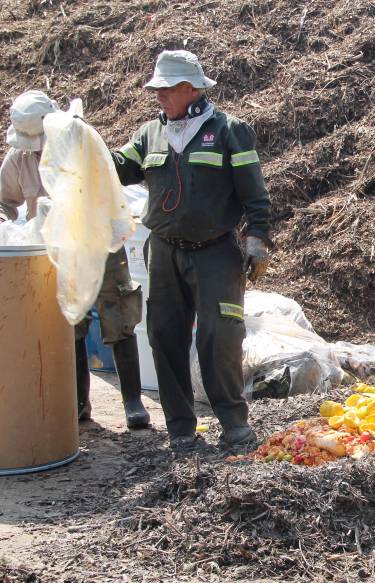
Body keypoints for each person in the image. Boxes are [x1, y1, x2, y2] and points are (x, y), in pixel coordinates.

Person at [111, 50, 273, 450]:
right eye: (157, 89)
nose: (158, 95)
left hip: (215, 253)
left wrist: (257, 239)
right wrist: (83, 145)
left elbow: (255, 194)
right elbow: (117, 167)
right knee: (165, 337)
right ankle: (180, 428)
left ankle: (234, 422)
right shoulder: (150, 133)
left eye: (165, 89)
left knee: (220, 336)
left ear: (189, 88)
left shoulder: (230, 131)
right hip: (164, 252)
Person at [0, 90, 150, 429]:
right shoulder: (19, 159)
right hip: (54, 253)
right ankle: (79, 405)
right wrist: (9, 226)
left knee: (119, 313)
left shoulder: (82, 141)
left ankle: (132, 402)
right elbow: (4, 201)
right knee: (71, 324)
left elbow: (111, 190)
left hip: (98, 243)